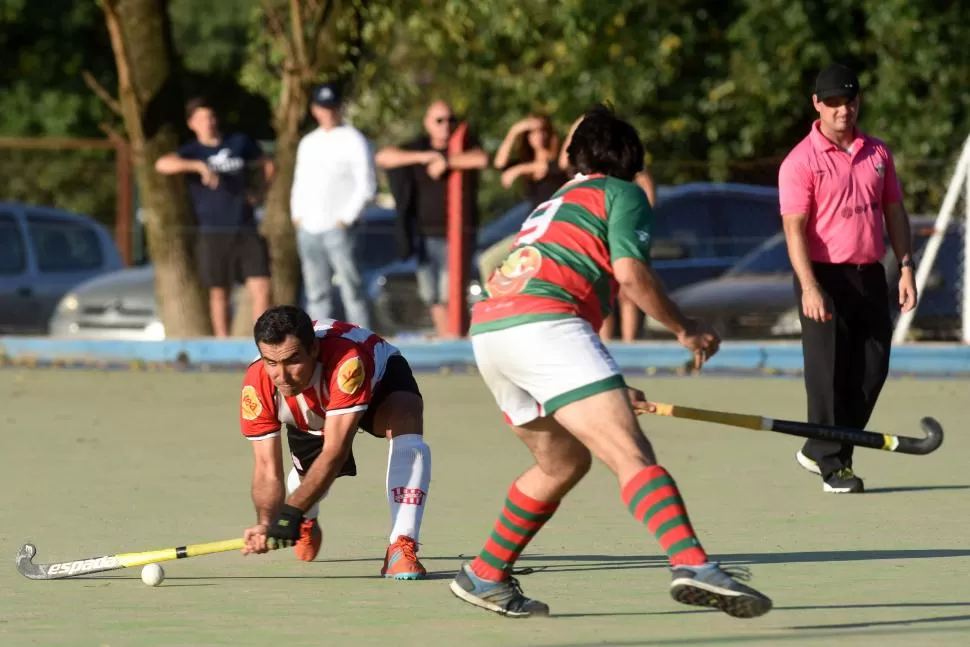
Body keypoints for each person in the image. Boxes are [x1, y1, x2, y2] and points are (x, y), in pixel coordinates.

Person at [451, 104, 772, 619]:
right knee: (630, 454)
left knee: (562, 463)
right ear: (633, 160)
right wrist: (686, 328)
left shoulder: (557, 200)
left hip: (492, 330)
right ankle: (691, 563)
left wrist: (606, 385)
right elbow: (629, 275)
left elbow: (572, 294)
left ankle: (486, 572)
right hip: (545, 327)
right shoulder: (623, 193)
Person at [778, 63, 917, 494]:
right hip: (821, 276)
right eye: (833, 102)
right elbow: (794, 228)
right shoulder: (800, 161)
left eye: (850, 100)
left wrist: (906, 266)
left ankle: (820, 446)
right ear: (817, 104)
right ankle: (834, 464)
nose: (843, 109)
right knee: (827, 376)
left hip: (869, 274)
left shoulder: (877, 153)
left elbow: (893, 211)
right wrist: (809, 286)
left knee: (872, 370)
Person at [237, 305, 432, 580]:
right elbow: (267, 469)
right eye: (271, 362)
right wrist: (268, 522)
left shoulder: (347, 359)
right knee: (307, 478)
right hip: (310, 406)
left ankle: (402, 544)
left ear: (314, 350)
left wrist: (290, 511)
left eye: (292, 360)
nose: (282, 375)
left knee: (406, 416)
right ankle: (307, 517)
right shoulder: (257, 384)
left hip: (377, 381)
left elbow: (336, 451)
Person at [155, 98, 274, 338]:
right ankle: (222, 343)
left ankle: (263, 341)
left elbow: (269, 165)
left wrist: (260, 191)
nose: (207, 123)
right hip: (213, 230)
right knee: (219, 292)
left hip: (245, 226)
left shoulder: (238, 142)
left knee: (261, 286)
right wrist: (198, 167)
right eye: (200, 119)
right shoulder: (191, 151)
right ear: (191, 124)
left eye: (210, 117)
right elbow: (162, 164)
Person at [375, 101, 489, 337]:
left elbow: (481, 159)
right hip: (424, 235)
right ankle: (447, 335)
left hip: (456, 233)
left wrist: (446, 162)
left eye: (450, 120)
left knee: (452, 290)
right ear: (428, 123)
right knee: (432, 293)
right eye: (439, 120)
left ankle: (455, 337)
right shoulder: (418, 147)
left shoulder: (464, 145)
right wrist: (425, 157)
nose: (445, 126)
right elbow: (384, 157)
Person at [560, 113, 657, 343]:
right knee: (607, 289)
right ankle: (603, 342)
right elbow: (566, 160)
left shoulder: (621, 167)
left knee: (626, 290)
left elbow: (646, 182)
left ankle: (628, 343)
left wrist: (640, 216)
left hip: (617, 226)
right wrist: (578, 124)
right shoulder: (582, 177)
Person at [291, 82, 376, 329]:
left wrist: (345, 219)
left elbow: (366, 185)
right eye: (322, 107)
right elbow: (300, 181)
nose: (327, 113)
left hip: (339, 228)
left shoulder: (353, 139)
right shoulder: (308, 142)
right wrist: (298, 215)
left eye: (332, 107)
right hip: (309, 227)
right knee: (316, 293)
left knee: (352, 289)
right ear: (314, 110)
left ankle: (363, 342)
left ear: (339, 108)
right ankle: (319, 341)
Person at [478, 115, 570, 283]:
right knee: (488, 261)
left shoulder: (558, 161)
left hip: (555, 230)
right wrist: (515, 131)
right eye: (532, 132)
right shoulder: (525, 161)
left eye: (542, 131)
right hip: (532, 231)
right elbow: (499, 164)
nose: (539, 136)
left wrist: (519, 170)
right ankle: (496, 306)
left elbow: (552, 167)